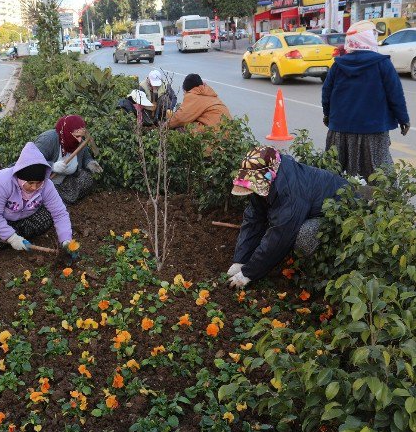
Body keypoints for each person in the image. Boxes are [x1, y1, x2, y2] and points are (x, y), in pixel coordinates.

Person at [226, 146, 348, 288]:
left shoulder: (289, 191)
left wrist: (247, 273)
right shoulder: (271, 177)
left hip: (340, 214)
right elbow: (253, 219)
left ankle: (315, 271)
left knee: (304, 235)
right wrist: (240, 260)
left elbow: (280, 236)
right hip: (311, 208)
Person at [0, 142, 74, 274]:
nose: (34, 187)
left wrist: (66, 241)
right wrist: (11, 237)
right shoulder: (1, 182)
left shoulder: (47, 185)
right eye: (30, 183)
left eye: (39, 183)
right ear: (20, 178)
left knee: (48, 213)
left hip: (19, 222)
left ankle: (6, 241)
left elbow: (59, 213)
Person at [322, 20, 410, 181]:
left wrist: (327, 115)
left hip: (340, 129)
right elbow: (395, 94)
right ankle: (381, 204)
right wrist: (403, 119)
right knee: (379, 177)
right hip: (374, 132)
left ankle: (340, 204)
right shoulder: (382, 64)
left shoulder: (338, 66)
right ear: (369, 38)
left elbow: (326, 93)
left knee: (335, 176)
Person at [33, 115, 103, 205]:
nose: (80, 140)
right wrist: (52, 166)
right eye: (77, 136)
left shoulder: (79, 143)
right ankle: (54, 200)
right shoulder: (48, 139)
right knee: (43, 199)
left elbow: (86, 157)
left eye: (81, 137)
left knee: (86, 178)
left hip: (65, 182)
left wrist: (90, 163)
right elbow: (31, 162)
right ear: (67, 132)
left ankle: (58, 200)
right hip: (45, 183)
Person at [166, 74, 230, 131]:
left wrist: (164, 125)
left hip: (216, 135)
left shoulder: (193, 95)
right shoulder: (208, 93)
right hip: (229, 131)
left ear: (187, 90)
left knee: (182, 127)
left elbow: (180, 119)